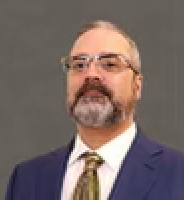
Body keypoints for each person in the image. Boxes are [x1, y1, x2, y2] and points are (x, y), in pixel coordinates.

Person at [5, 20, 184, 200]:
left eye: (109, 64)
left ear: (137, 86)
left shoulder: (178, 174)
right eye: (79, 65)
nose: (91, 74)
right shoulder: (27, 178)